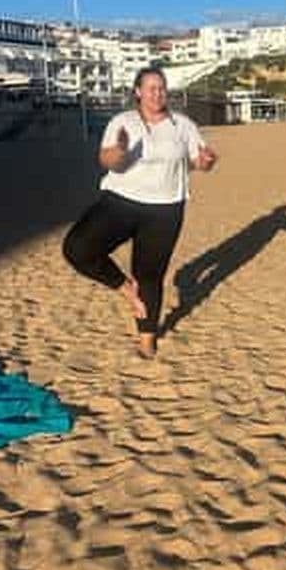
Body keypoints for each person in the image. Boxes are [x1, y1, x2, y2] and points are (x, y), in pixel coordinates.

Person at [63, 67, 217, 357]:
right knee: (77, 249)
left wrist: (207, 161)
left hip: (166, 209)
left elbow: (200, 160)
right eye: (151, 88)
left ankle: (147, 338)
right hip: (120, 202)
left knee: (150, 274)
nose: (157, 93)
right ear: (138, 92)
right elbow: (107, 160)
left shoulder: (182, 125)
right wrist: (120, 151)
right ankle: (125, 288)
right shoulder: (122, 122)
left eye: (161, 88)